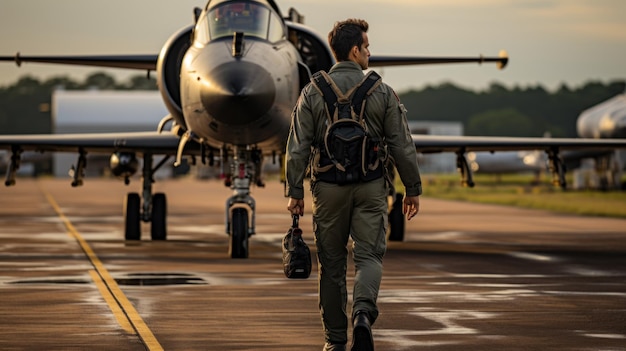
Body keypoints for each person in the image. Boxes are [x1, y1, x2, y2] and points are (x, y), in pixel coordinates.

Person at [285, 18, 422, 351]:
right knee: (369, 257)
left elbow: (298, 146)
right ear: (354, 50)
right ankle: (362, 313)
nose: (370, 53)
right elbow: (402, 144)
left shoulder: (312, 91)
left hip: (327, 189)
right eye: (367, 47)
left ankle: (334, 341)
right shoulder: (382, 92)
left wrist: (295, 192)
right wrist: (412, 189)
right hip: (371, 186)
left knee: (331, 265)